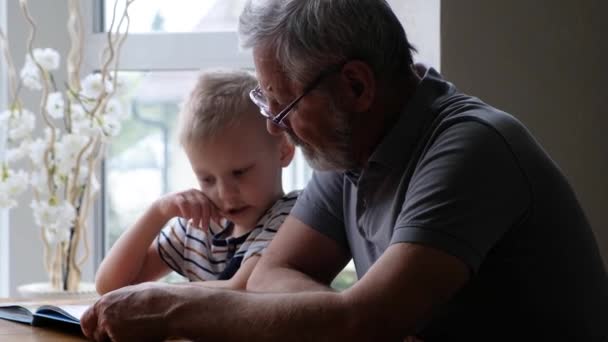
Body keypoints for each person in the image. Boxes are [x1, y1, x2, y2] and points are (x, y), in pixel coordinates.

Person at [82, 1, 608, 341]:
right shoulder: (351, 152)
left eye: (283, 109)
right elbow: (270, 276)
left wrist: (178, 309)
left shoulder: (472, 150)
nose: (280, 131)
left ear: (356, 87)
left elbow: (361, 323)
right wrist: (349, 320)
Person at [94, 69, 298, 294]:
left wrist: (155, 295)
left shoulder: (293, 217)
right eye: (207, 179)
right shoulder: (199, 226)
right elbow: (110, 286)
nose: (225, 193)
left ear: (284, 151)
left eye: (239, 172)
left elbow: (242, 289)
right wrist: (158, 212)